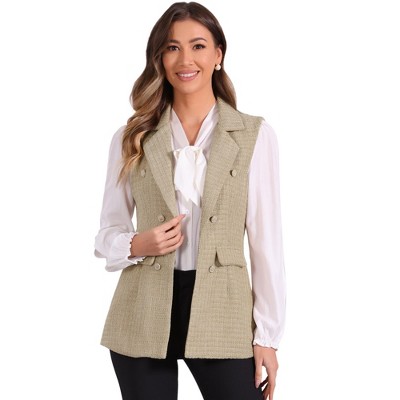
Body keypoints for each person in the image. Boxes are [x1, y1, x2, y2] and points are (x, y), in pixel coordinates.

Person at [94, 2, 286, 399]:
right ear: (160, 58)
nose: (185, 59)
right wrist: (137, 244)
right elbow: (106, 234)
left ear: (218, 55)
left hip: (223, 312)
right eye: (172, 47)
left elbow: (266, 243)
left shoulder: (254, 136)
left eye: (198, 46)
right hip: (142, 312)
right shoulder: (132, 138)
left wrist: (267, 336)